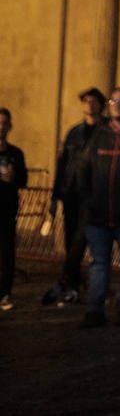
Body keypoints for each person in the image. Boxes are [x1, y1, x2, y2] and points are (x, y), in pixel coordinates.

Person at [79, 87, 120, 327]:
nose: (117, 104)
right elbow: (83, 170)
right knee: (98, 263)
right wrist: (88, 202)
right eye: (113, 100)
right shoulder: (99, 135)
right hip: (97, 215)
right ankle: (95, 311)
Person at [44, 86, 106, 305]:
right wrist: (55, 196)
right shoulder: (74, 132)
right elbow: (62, 165)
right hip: (71, 193)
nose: (89, 104)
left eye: (93, 100)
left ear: (100, 104)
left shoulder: (106, 131)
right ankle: (73, 284)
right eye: (86, 101)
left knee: (82, 241)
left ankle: (66, 280)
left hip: (93, 195)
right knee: (72, 241)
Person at [0, 108, 28, 311]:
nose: (1, 127)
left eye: (4, 123)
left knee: (7, 254)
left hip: (7, 210)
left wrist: (13, 178)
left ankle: (5, 294)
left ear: (9, 126)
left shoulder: (16, 153)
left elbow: (24, 180)